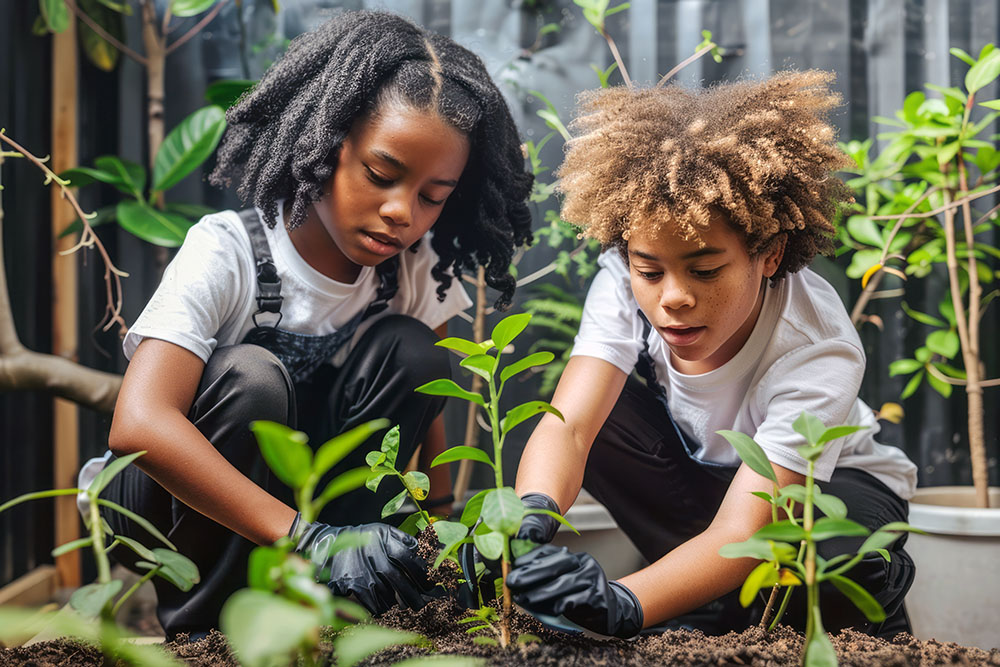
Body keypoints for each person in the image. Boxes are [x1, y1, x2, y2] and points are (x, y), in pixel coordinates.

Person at [91, 10, 533, 638]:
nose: (401, 212)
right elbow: (138, 425)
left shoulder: (410, 270)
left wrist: (441, 535)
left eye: (432, 197)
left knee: (416, 353)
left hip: (308, 512)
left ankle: (344, 609)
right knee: (251, 377)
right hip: (167, 507)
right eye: (381, 175)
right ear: (324, 144)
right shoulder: (228, 251)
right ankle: (204, 634)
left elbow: (427, 410)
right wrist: (308, 538)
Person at [506, 71, 918, 640]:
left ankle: (866, 624)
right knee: (590, 408)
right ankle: (705, 604)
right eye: (649, 270)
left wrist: (623, 603)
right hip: (704, 479)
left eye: (704, 270)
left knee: (838, 565)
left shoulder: (817, 345)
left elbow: (746, 527)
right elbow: (571, 427)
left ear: (769, 255)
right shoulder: (623, 282)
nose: (672, 296)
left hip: (824, 492)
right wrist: (528, 518)